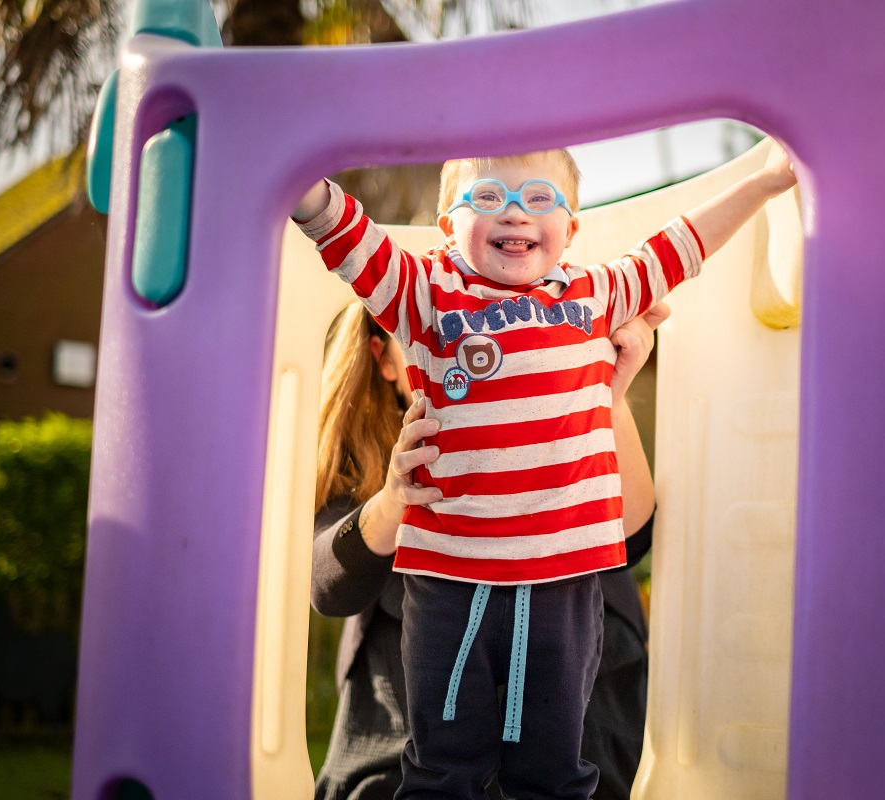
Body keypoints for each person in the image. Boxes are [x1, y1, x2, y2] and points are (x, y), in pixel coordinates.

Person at [295, 148, 796, 799]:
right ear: (446, 229)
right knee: (443, 765)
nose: (514, 211)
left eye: (539, 198)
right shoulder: (427, 297)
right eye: (487, 198)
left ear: (571, 230)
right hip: (453, 577)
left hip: (560, 578)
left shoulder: (594, 295)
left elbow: (681, 245)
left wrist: (765, 179)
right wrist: (302, 186)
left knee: (553, 767)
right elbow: (350, 240)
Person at [312, 300, 664, 800]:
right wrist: (393, 501)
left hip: (581, 750)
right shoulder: (372, 467)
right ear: (386, 361)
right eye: (439, 333)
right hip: (399, 759)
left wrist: (606, 393)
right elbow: (328, 584)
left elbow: (631, 538)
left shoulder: (573, 445)